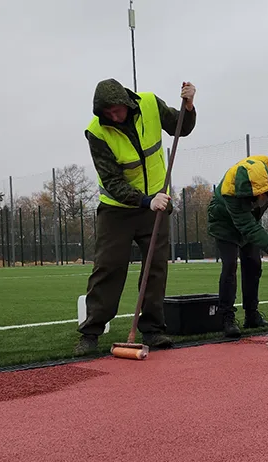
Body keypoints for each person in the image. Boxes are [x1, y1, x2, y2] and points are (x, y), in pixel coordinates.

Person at [75, 78, 197, 355]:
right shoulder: (96, 132)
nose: (114, 117)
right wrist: (145, 200)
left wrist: (189, 106)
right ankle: (91, 332)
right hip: (117, 209)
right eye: (108, 113)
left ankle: (153, 330)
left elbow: (182, 128)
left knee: (155, 268)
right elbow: (112, 181)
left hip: (157, 204)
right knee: (108, 267)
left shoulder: (151, 104)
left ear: (128, 103)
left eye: (118, 110)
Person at [206, 150, 268, 338]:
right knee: (230, 265)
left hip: (250, 221)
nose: (256, 201)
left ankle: (252, 314)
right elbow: (247, 226)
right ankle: (227, 318)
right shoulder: (231, 192)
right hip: (224, 223)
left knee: (253, 264)